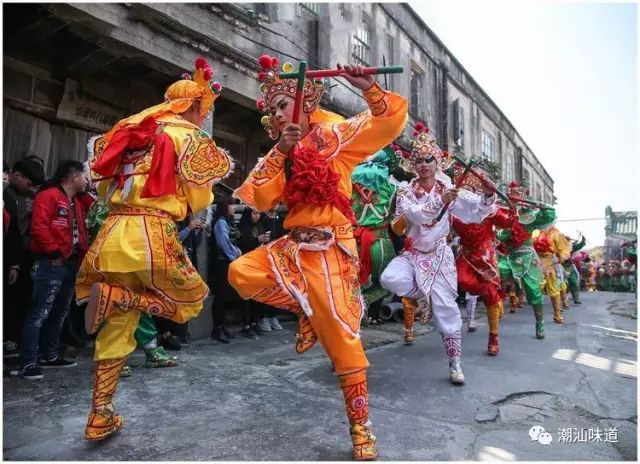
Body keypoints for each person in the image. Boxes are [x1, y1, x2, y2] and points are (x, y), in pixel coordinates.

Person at [229, 56, 407, 460]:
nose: (276, 113)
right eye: (271, 109)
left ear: (305, 101)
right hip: (293, 247)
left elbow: (385, 125)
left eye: (282, 104)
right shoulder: (280, 152)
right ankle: (308, 310)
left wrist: (368, 89)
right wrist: (280, 152)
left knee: (343, 342)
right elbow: (258, 195)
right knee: (241, 272)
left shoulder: (335, 137)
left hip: (330, 248)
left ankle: (361, 427)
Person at [76, 57, 232, 441]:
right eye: (204, 110)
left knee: (117, 328)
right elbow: (199, 197)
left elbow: (100, 188)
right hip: (153, 236)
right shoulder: (191, 137)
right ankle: (123, 299)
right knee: (192, 299)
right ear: (196, 106)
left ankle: (100, 414)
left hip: (111, 235)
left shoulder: (130, 128)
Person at [380, 124, 497, 384]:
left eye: (428, 159)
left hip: (440, 256)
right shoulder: (405, 192)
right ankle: (423, 296)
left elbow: (475, 211)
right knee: (389, 279)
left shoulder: (450, 189)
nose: (423, 164)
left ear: (437, 162)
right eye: (418, 160)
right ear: (413, 165)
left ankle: (455, 361)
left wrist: (487, 196)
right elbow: (415, 215)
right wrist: (440, 201)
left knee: (447, 312)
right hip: (413, 254)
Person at [19, 160, 89, 379]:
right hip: (51, 263)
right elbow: (39, 226)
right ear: (74, 177)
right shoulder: (48, 196)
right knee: (40, 312)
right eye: (84, 176)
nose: (87, 180)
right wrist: (54, 253)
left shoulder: (76, 200)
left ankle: (50, 354)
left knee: (60, 312)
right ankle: (28, 361)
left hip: (70, 264)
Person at [450, 163, 516, 355]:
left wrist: (511, 208)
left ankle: (493, 336)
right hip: (466, 254)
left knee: (489, 293)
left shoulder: (488, 208)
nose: (467, 191)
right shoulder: (453, 208)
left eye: (471, 188)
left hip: (485, 254)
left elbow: (508, 221)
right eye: (464, 187)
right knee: (463, 281)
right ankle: (494, 301)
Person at [496, 183, 556, 339]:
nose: (515, 197)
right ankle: (495, 310)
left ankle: (540, 322)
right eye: (513, 194)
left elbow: (549, 214)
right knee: (495, 275)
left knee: (534, 292)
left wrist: (541, 205)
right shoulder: (503, 214)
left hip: (527, 257)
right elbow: (498, 234)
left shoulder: (529, 216)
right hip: (508, 257)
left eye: (518, 195)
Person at [350, 146, 399, 325]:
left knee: (351, 283)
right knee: (388, 283)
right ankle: (364, 302)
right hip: (381, 241)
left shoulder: (348, 182)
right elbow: (396, 217)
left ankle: (354, 311)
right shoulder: (393, 186)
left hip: (352, 241)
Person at [3, 157, 45, 355]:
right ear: (16, 175)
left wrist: (14, 264)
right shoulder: (8, 195)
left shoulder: (17, 196)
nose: (32, 190)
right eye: (30, 185)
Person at [210, 196, 242, 343]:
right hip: (221, 263)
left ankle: (222, 326)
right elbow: (224, 243)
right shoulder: (221, 222)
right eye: (231, 205)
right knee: (220, 297)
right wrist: (236, 253)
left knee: (224, 296)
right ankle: (217, 328)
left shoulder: (227, 222)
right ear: (225, 207)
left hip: (226, 263)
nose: (234, 208)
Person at [237, 206, 271, 338]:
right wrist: (257, 240)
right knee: (246, 296)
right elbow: (243, 243)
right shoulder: (243, 226)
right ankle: (246, 324)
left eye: (258, 213)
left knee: (256, 295)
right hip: (246, 264)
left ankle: (254, 321)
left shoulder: (259, 226)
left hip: (258, 264)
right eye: (254, 213)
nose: (257, 216)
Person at [533, 225, 572, 323]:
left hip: (551, 263)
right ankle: (539, 320)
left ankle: (557, 315)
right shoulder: (534, 232)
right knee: (536, 290)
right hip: (535, 263)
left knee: (554, 290)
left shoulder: (555, 233)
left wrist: (561, 258)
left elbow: (564, 248)